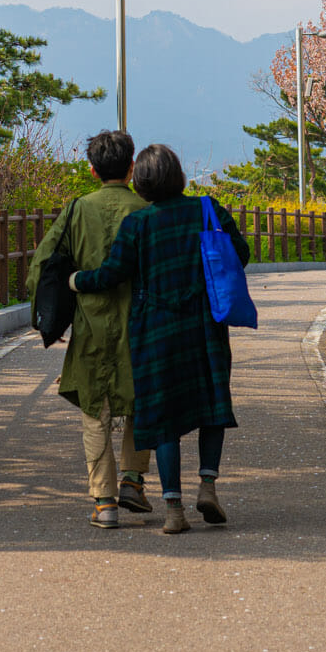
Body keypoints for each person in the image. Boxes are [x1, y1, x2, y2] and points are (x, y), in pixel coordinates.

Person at [72, 143, 250, 535]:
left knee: (165, 418)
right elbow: (241, 253)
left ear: (142, 180)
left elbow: (111, 274)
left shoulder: (139, 224)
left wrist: (76, 280)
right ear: (178, 174)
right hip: (204, 325)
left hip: (155, 332)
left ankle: (174, 510)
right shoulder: (207, 209)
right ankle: (207, 485)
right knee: (211, 407)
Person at [27, 129, 152, 529]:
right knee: (140, 403)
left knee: (94, 412)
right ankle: (134, 480)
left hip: (91, 325)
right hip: (141, 322)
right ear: (132, 167)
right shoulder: (148, 209)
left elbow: (42, 267)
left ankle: (105, 502)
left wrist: (51, 315)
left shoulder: (78, 209)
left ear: (92, 168)